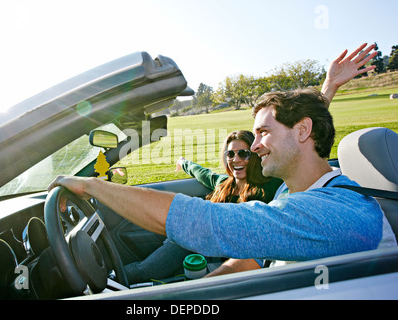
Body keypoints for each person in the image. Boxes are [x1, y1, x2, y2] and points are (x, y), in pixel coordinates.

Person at [48, 43, 396, 276]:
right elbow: (251, 260)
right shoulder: (292, 194)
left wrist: (93, 185)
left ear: (303, 131)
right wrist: (196, 293)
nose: (255, 146)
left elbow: (206, 223)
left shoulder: (337, 213)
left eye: (262, 133)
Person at [123, 130, 282, 283]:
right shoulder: (223, 183)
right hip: (191, 242)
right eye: (230, 154)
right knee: (142, 271)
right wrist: (183, 163)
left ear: (254, 156)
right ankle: (114, 279)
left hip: (223, 256)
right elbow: (202, 173)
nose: (236, 159)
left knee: (142, 272)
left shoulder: (269, 187)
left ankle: (111, 281)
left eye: (244, 154)